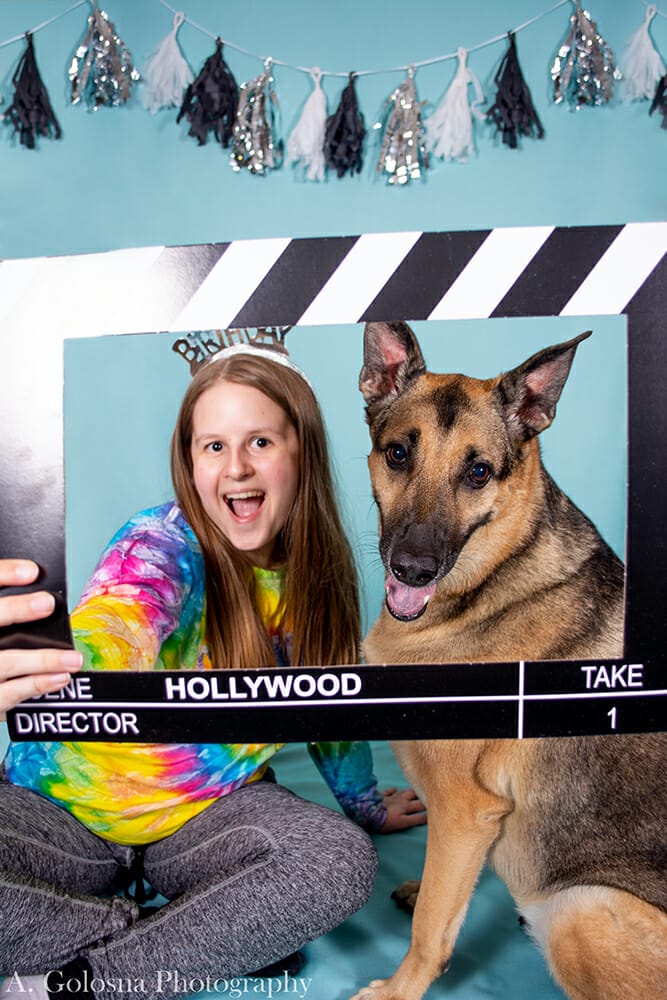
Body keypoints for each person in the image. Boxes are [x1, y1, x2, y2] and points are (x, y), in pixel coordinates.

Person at [0, 343, 425, 998]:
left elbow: (329, 712)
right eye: (213, 446)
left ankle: (81, 979)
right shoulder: (159, 542)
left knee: (337, 865)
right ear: (189, 460)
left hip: (206, 821)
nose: (236, 469)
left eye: (259, 441)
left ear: (300, 452)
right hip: (59, 813)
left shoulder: (318, 577)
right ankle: (181, 938)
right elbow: (114, 622)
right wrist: (63, 661)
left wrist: (365, 806)